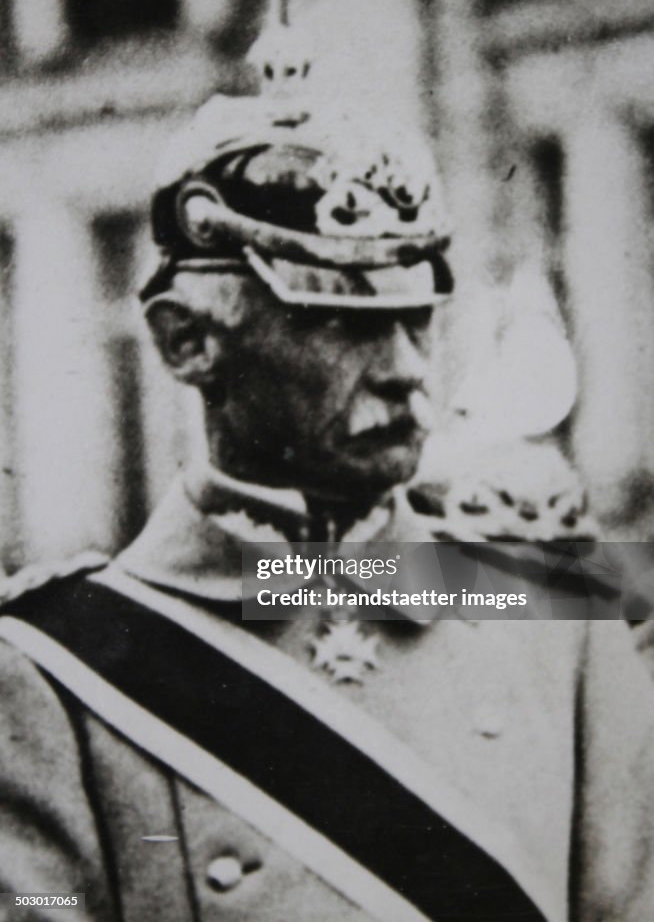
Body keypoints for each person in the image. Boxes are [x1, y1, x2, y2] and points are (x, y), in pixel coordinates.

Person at [0, 49, 653, 922]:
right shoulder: (56, 672)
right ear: (186, 342)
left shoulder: (551, 604)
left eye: (415, 321)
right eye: (343, 324)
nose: (407, 372)